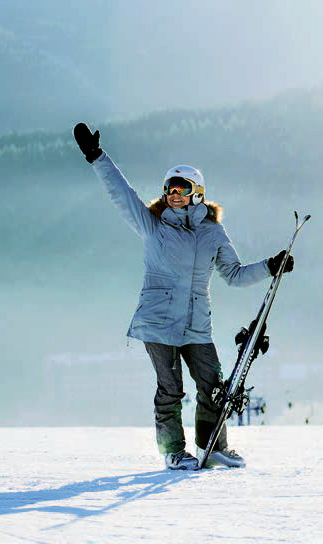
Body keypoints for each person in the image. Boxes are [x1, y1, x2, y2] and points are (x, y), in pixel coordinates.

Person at [73, 123, 294, 470]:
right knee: (170, 389)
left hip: (196, 324)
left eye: (182, 187)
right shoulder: (153, 225)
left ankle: (212, 445)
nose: (174, 193)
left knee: (213, 385)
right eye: (169, 188)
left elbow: (234, 275)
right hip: (158, 322)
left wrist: (270, 266)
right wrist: (97, 156)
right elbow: (122, 194)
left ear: (198, 192)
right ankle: (173, 450)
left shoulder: (213, 232)